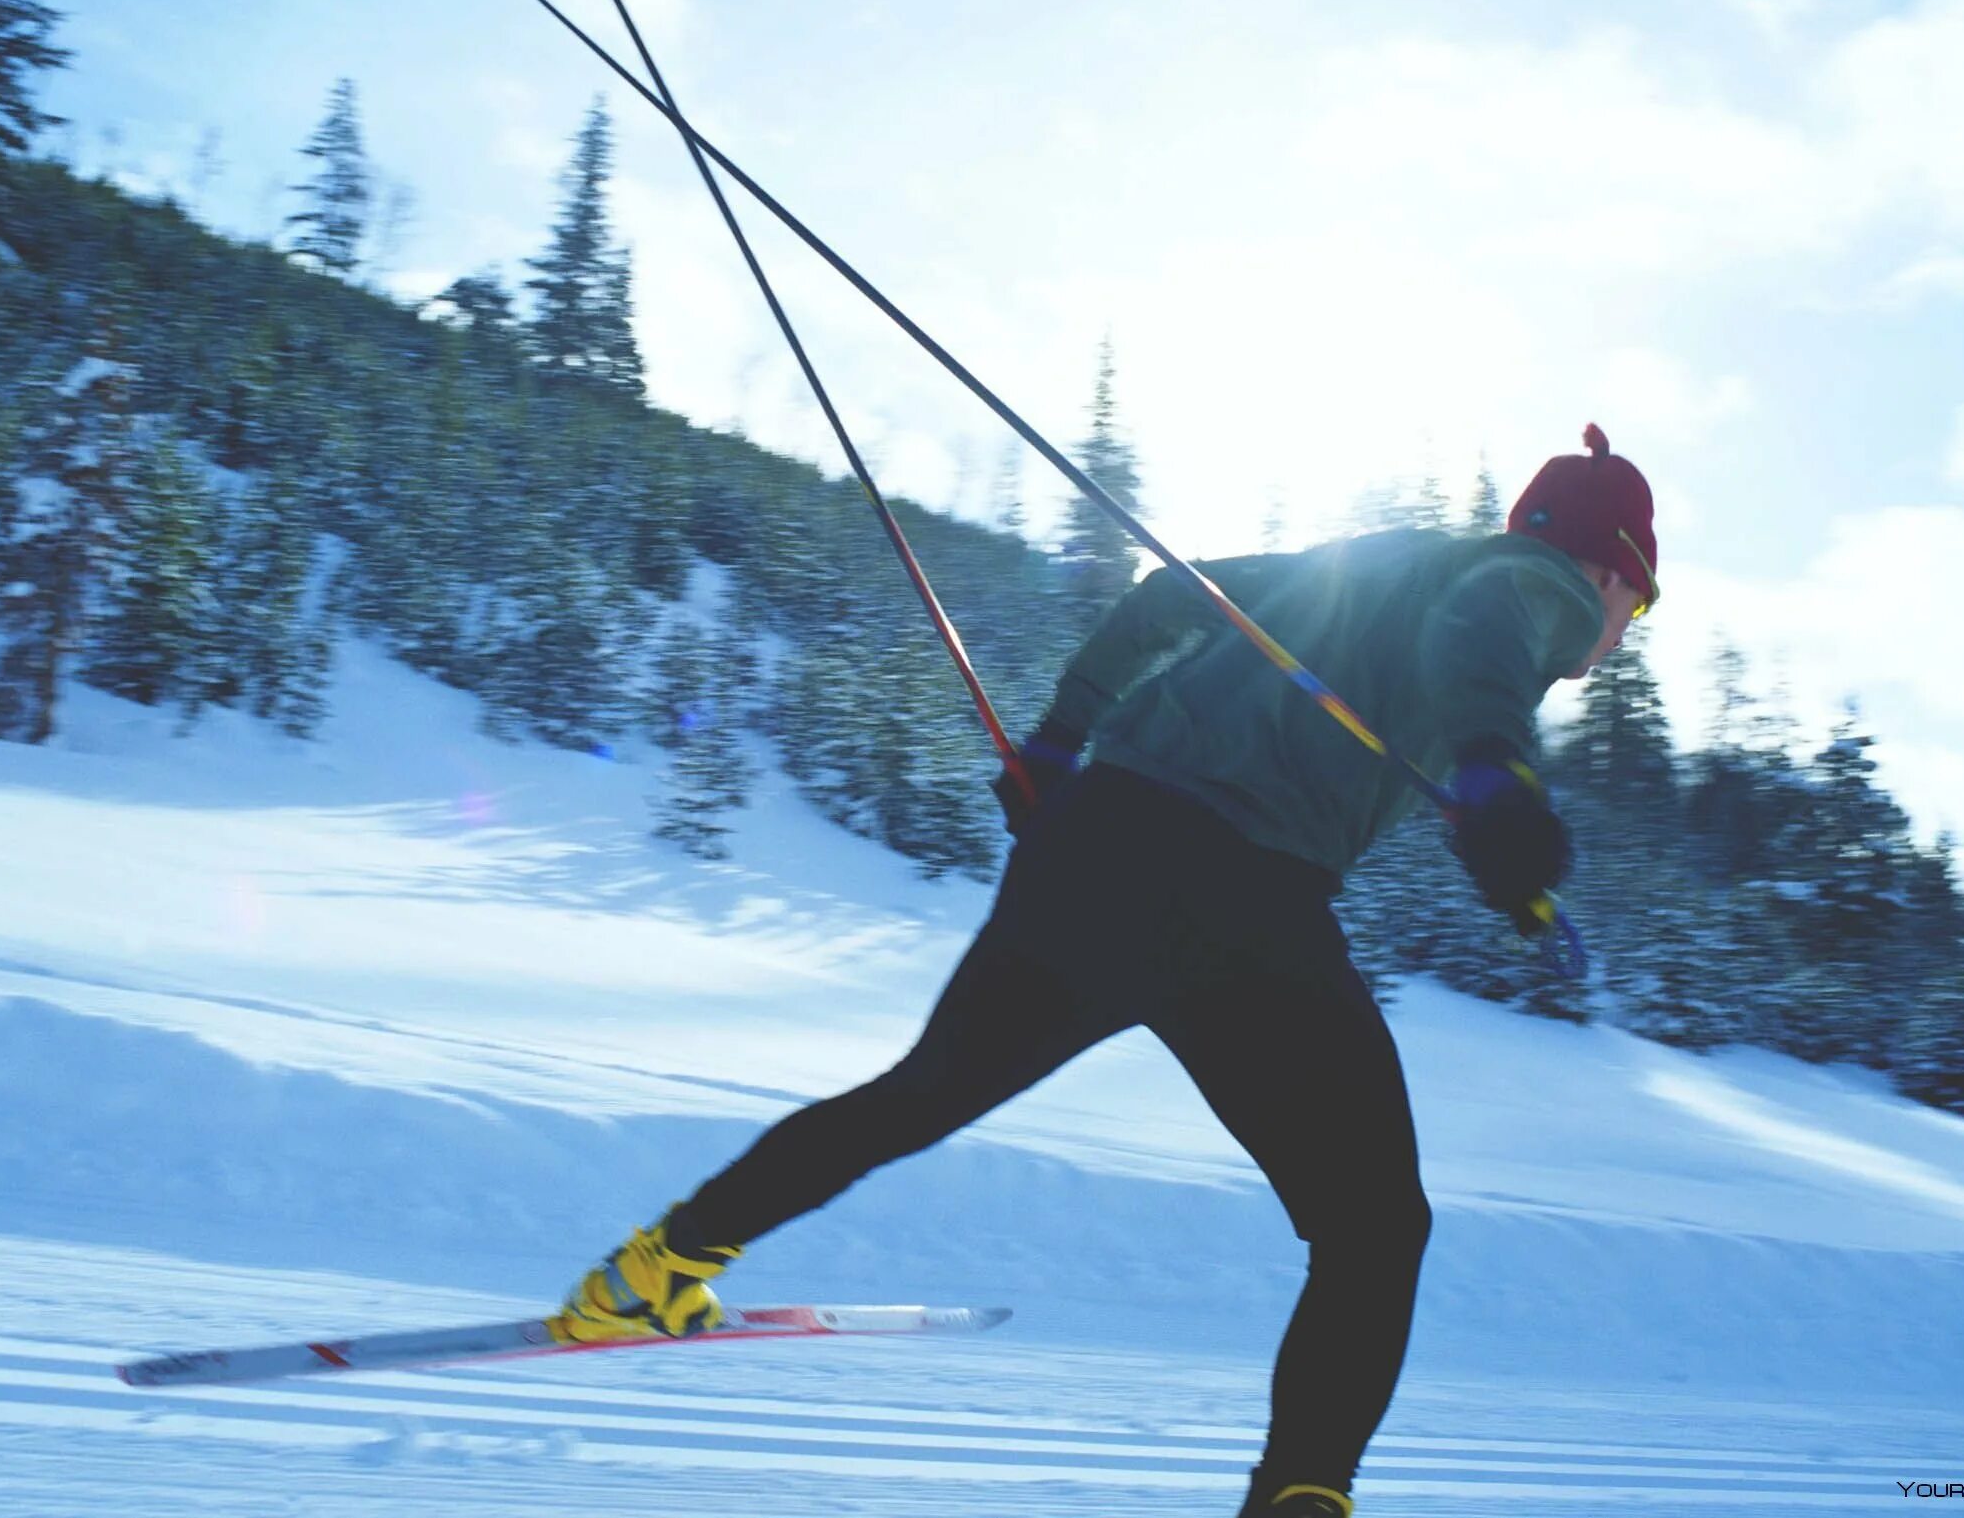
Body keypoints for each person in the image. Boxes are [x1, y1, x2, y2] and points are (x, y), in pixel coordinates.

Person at [557, 425, 1659, 1518]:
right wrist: (1498, 779)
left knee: (918, 1095)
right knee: (1374, 1232)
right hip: (1238, 895)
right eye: (1638, 606)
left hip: (1094, 843)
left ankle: (651, 1273)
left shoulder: (1374, 560)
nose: (1616, 633)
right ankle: (1299, 1499)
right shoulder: (1541, 584)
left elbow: (1166, 599)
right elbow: (1487, 640)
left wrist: (1056, 743)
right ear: (1609, 566)